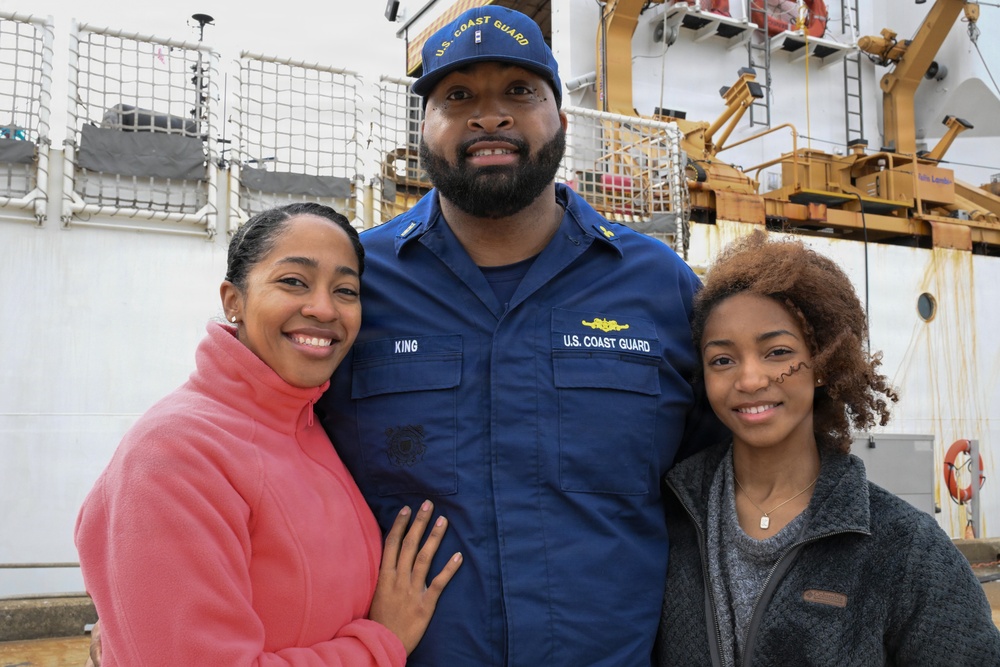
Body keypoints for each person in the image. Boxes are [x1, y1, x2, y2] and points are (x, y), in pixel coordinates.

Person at [316, 7, 722, 666]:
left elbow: (727, 482)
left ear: (561, 118)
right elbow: (263, 440)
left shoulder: (660, 286)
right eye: (458, 96)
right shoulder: (355, 285)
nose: (489, 117)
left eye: (519, 91)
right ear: (423, 127)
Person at [75, 202, 462, 666]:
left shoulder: (308, 426)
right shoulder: (175, 454)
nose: (323, 308)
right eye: (293, 281)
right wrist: (381, 642)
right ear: (233, 300)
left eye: (345, 290)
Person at [655, 230, 1000, 666]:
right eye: (722, 360)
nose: (749, 379)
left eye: (777, 352)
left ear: (821, 364)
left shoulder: (904, 546)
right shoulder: (671, 516)